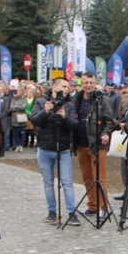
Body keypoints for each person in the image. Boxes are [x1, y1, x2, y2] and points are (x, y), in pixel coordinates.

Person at [30, 77, 80, 225]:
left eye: (67, 87)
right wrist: (45, 111)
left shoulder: (69, 104)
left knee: (67, 183)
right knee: (48, 182)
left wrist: (65, 117)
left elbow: (74, 125)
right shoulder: (40, 102)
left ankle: (71, 212)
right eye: (63, 86)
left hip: (62, 148)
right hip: (45, 148)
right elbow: (34, 120)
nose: (66, 89)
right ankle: (52, 212)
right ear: (54, 87)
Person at [72, 71, 115, 215]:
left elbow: (109, 120)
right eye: (85, 82)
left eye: (91, 82)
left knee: (99, 177)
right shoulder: (77, 98)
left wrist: (105, 133)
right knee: (87, 177)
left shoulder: (102, 98)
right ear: (81, 83)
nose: (88, 85)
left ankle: (103, 208)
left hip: (97, 144)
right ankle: (92, 205)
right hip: (81, 143)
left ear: (95, 83)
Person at [9, 86, 28, 152]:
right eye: (17, 91)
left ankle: (21, 145)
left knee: (22, 132)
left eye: (20, 91)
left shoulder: (24, 99)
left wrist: (16, 106)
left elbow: (24, 107)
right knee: (15, 133)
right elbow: (11, 107)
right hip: (14, 118)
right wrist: (19, 106)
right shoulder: (13, 99)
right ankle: (17, 145)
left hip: (21, 117)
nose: (18, 92)